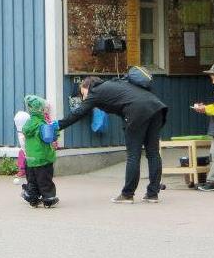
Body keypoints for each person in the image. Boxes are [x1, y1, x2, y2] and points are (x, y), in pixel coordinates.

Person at [55, 72, 169, 203]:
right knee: (153, 153)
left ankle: (127, 194)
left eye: (83, 93)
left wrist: (58, 125)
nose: (84, 97)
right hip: (157, 108)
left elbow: (79, 112)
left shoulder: (95, 92)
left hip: (137, 111)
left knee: (133, 155)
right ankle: (152, 194)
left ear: (88, 87)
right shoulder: (116, 84)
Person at [20, 95, 58, 208]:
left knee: (32, 180)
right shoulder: (42, 124)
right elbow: (50, 138)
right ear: (41, 110)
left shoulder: (28, 124)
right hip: (43, 157)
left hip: (30, 158)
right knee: (44, 180)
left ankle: (33, 198)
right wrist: (55, 130)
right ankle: (48, 198)